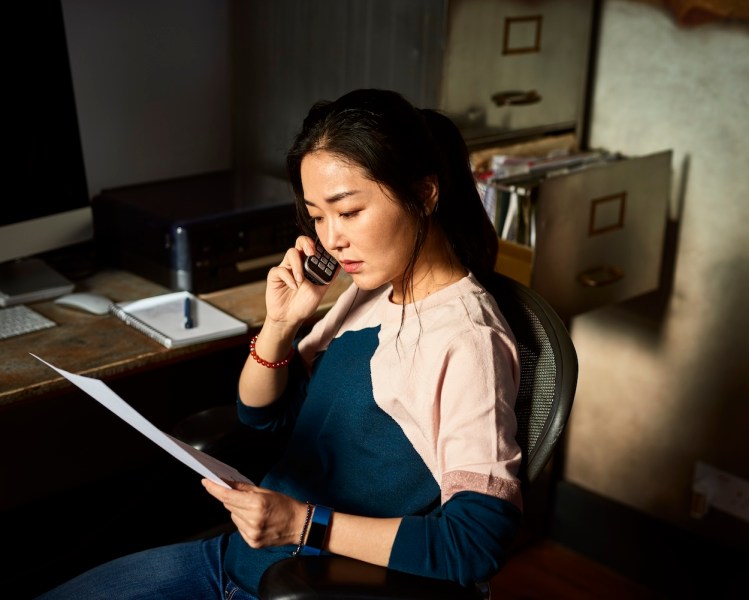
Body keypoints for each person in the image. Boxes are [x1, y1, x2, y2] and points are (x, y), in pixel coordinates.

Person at [38, 88, 522, 599]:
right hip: (243, 558)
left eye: (349, 211)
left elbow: (474, 544)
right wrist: (280, 324)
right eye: (317, 215)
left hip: (306, 584)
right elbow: (261, 415)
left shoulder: (468, 342)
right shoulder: (371, 289)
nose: (331, 238)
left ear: (425, 195)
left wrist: (302, 524)